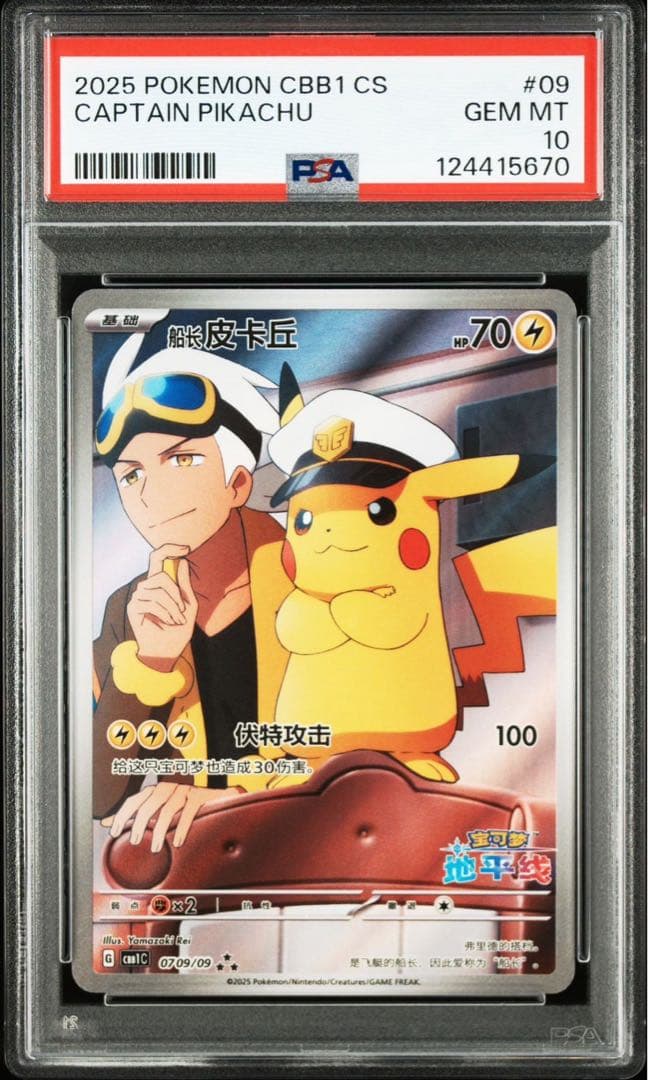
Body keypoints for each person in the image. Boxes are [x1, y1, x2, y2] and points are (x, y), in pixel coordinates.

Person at [92, 337, 290, 851]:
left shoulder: (313, 579)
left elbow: (365, 754)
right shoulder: (128, 609)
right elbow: (100, 796)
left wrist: (231, 798)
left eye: (181, 460)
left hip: (316, 853)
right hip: (193, 866)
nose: (149, 493)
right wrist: (152, 663)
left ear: (238, 483)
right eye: (131, 474)